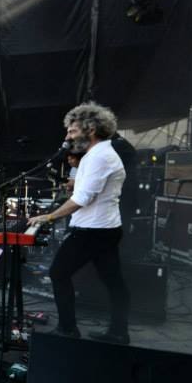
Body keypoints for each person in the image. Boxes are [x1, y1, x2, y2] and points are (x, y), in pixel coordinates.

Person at [27, 102, 130, 344]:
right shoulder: (99, 154)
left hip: (92, 231)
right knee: (113, 281)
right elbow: (92, 189)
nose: (67, 136)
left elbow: (81, 200)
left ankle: (67, 330)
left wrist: (48, 216)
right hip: (106, 229)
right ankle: (118, 332)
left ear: (91, 129)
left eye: (72, 131)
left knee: (58, 273)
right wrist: (76, 184)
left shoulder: (99, 157)